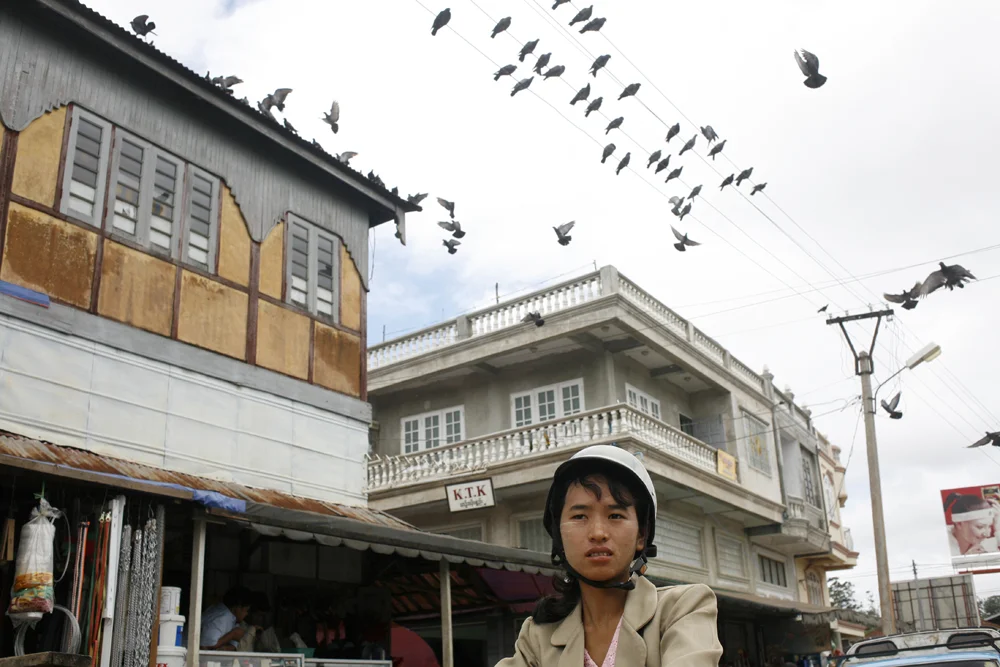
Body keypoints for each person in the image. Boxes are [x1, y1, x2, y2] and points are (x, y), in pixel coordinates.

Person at [497, 444, 723, 667]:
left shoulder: (681, 608)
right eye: (579, 516)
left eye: (615, 515)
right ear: (559, 535)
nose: (598, 533)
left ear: (641, 536)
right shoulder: (538, 636)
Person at [201, 586, 253, 651]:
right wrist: (232, 635)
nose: (247, 614)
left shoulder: (232, 618)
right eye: (246, 610)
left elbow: (233, 644)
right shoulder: (222, 617)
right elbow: (205, 645)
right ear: (238, 607)